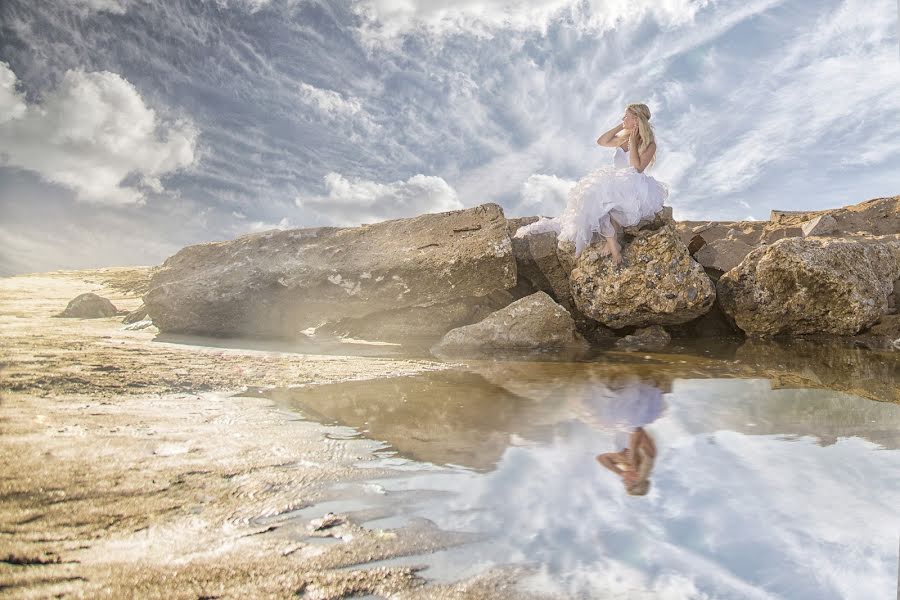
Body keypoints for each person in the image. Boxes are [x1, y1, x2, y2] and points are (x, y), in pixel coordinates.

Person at [513, 103, 669, 266]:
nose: (622, 118)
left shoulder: (649, 144)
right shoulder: (622, 138)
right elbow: (602, 141)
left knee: (612, 199)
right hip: (615, 181)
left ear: (636, 119)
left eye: (626, 116)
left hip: (634, 184)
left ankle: (612, 244)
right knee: (593, 196)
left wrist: (632, 142)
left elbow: (637, 167)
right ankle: (612, 242)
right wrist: (622, 126)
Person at [596, 426, 657, 496]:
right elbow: (637, 429)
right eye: (627, 483)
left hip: (613, 424)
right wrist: (632, 452)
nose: (624, 480)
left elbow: (600, 458)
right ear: (636, 479)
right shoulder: (650, 454)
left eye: (624, 483)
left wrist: (621, 472)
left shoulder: (624, 462)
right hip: (627, 419)